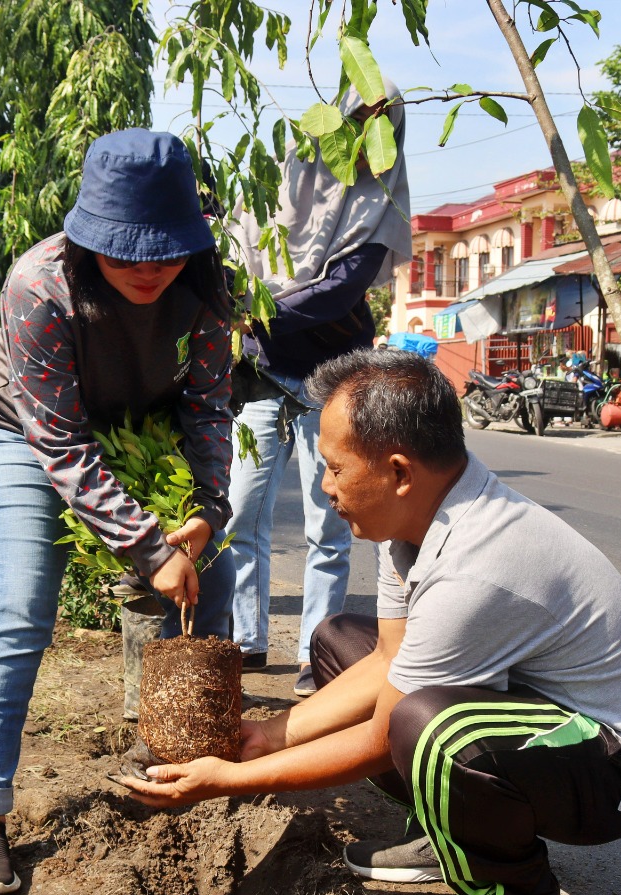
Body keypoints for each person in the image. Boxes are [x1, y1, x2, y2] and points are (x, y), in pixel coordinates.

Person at [124, 348, 621, 895]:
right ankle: (451, 832)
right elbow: (388, 659)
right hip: (538, 721)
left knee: (425, 728)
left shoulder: (478, 562)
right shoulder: (412, 522)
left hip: (613, 768)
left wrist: (233, 777)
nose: (324, 486)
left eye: (335, 469)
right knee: (340, 642)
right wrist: (265, 738)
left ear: (397, 471)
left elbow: (380, 732)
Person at [0, 129, 235, 895]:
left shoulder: (209, 288)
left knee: (210, 577)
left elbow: (209, 407)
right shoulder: (39, 285)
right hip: (19, 429)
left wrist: (207, 510)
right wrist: (149, 547)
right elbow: (60, 440)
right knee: (18, 606)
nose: (149, 269)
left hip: (136, 426)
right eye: (125, 253)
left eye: (166, 252)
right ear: (89, 239)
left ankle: (175, 758)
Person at [223, 82, 413, 696]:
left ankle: (316, 652)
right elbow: (234, 253)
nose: (365, 144)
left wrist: (256, 310)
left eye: (381, 127)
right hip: (259, 375)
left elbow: (341, 288)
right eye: (356, 124)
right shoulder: (277, 180)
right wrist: (242, 310)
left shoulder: (380, 201)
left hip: (329, 382)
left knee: (328, 525)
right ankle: (245, 642)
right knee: (239, 514)